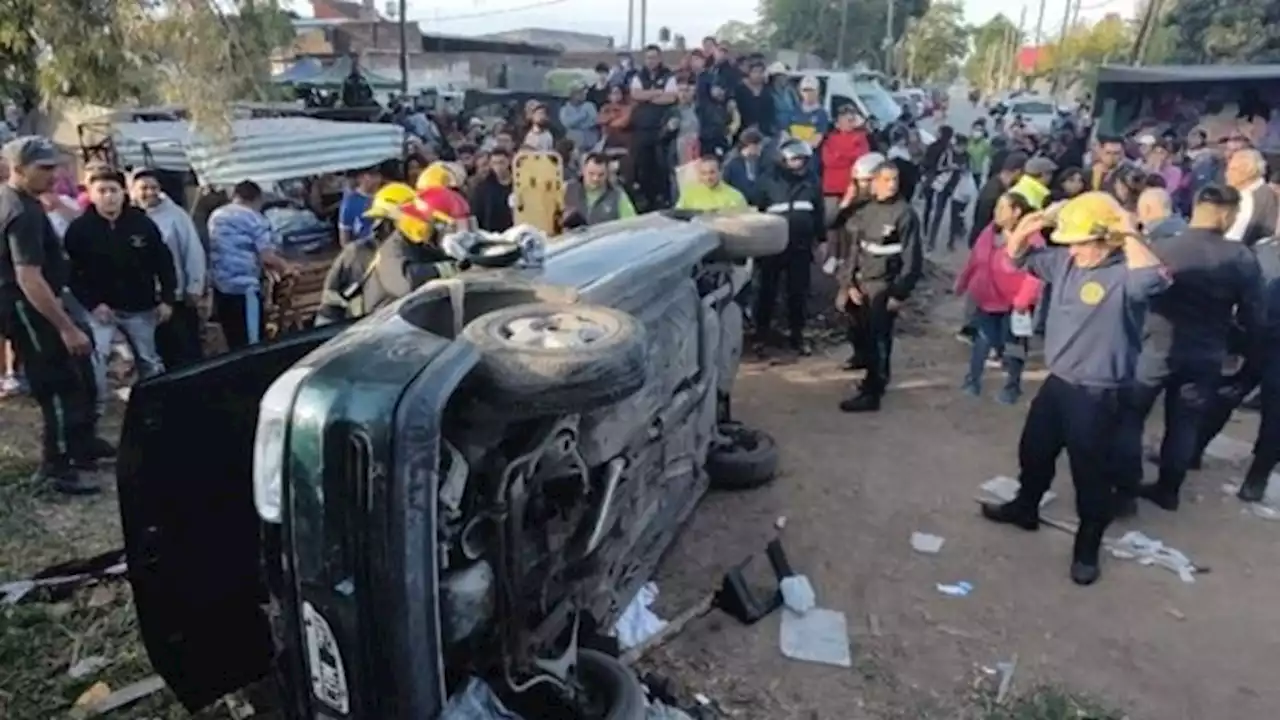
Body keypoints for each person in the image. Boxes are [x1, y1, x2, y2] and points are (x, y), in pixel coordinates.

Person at [979, 192, 1170, 586]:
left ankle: (1087, 547)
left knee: (1091, 473)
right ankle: (1025, 508)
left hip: (1100, 392)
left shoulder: (1125, 274)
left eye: (1083, 243)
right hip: (1059, 384)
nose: (1075, 251)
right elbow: (1014, 261)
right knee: (1034, 451)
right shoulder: (1065, 264)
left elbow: (1154, 279)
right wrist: (1027, 228)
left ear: (1107, 239)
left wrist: (1125, 226)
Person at [1115, 186, 1264, 514]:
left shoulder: (1163, 247)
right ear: (1225, 214)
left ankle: (1124, 492)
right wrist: (1238, 347)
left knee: (1130, 418)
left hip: (1156, 347)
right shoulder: (1241, 257)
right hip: (1206, 352)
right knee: (1184, 423)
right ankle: (1168, 490)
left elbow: (1135, 295)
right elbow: (1255, 315)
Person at [0, 137, 109, 494]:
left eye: (55, 166)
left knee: (81, 365)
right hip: (26, 305)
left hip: (45, 298)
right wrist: (64, 327)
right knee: (58, 383)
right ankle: (56, 468)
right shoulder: (21, 211)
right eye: (43, 168)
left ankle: (82, 444)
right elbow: (28, 277)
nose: (54, 175)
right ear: (18, 169)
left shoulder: (24, 201)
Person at [64, 166, 175, 415]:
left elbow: (164, 262)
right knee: (98, 359)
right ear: (91, 194)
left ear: (124, 192)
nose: (108, 197)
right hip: (100, 309)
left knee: (148, 358)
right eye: (101, 191)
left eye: (113, 190)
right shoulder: (79, 230)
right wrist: (93, 304)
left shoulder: (142, 224)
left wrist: (167, 298)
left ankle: (156, 404)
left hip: (140, 305)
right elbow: (72, 274)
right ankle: (97, 408)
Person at [838, 160, 924, 413]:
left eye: (895, 180)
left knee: (879, 339)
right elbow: (855, 248)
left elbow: (912, 260)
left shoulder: (904, 214)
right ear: (874, 182)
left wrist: (899, 293)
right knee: (861, 332)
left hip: (884, 286)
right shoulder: (866, 209)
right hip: (862, 283)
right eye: (886, 180)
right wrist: (849, 281)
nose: (892, 185)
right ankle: (870, 376)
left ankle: (872, 393)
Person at [954, 191, 1042, 403]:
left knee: (1014, 345)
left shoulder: (1032, 239)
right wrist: (963, 282)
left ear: (1017, 211)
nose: (996, 213)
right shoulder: (989, 233)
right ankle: (972, 381)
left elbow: (1036, 274)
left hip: (1016, 305)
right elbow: (975, 259)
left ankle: (1012, 386)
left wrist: (1024, 300)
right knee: (982, 341)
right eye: (996, 208)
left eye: (1002, 209)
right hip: (987, 299)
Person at [130, 169, 206, 369]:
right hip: (143, 300)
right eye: (144, 188)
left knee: (185, 350)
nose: (150, 192)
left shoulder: (176, 216)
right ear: (133, 191)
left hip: (176, 296)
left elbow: (193, 251)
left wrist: (195, 285)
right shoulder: (127, 218)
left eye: (154, 187)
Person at [753, 139, 822, 357]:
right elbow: (757, 211)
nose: (798, 164)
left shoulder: (812, 182)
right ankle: (761, 336)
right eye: (794, 159)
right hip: (772, 247)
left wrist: (821, 240)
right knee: (767, 292)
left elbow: (818, 213)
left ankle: (797, 336)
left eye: (801, 159)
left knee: (798, 293)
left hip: (800, 247)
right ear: (782, 160)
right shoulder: (767, 182)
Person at [207, 181, 294, 350]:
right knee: (252, 343)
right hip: (244, 288)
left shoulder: (216, 215)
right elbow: (267, 256)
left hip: (220, 288)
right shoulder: (255, 218)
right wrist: (287, 267)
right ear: (258, 199)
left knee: (233, 341)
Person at [629, 45, 679, 211]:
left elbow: (671, 97)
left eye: (654, 57)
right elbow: (636, 94)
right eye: (648, 57)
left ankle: (662, 199)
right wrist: (657, 92)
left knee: (662, 166)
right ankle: (646, 200)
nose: (651, 61)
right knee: (642, 166)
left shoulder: (669, 75)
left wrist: (647, 95)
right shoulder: (638, 75)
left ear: (660, 58)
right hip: (642, 129)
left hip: (661, 129)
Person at [821, 106, 871, 250]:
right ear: (837, 123)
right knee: (831, 223)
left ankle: (847, 256)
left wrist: (840, 155)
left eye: (852, 119)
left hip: (852, 187)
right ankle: (832, 254)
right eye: (846, 119)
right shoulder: (829, 139)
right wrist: (848, 156)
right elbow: (828, 160)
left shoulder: (861, 138)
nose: (849, 122)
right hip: (831, 188)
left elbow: (861, 159)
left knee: (851, 225)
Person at [562, 152, 637, 228]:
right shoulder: (567, 189)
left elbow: (631, 226)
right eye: (591, 173)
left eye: (601, 175)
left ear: (607, 174)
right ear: (583, 170)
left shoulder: (618, 196)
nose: (595, 178)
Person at [1223, 149, 1277, 246]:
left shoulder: (1248, 198)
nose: (1226, 174)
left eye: (1232, 169)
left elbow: (1234, 239)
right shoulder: (1264, 191)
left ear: (1248, 171)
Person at [676, 154, 748, 211]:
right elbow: (677, 217)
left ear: (720, 172)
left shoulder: (735, 197)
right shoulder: (689, 194)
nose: (708, 177)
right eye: (704, 173)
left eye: (712, 172)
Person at [470, 148, 516, 233]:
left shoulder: (518, 184)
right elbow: (477, 214)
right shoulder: (483, 188)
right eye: (495, 163)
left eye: (501, 162)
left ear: (509, 161)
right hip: (492, 234)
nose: (498, 167)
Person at [338, 165, 383, 246]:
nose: (376, 179)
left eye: (377, 174)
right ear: (360, 178)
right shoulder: (349, 203)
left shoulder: (386, 196)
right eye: (371, 175)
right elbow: (344, 241)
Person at [723, 130, 768, 207]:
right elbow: (725, 185)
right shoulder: (731, 164)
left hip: (760, 206)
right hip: (738, 206)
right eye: (758, 146)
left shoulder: (764, 163)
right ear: (750, 145)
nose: (760, 149)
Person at [560, 84, 600, 153]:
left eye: (583, 93)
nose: (583, 95)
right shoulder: (564, 109)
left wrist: (577, 125)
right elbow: (567, 123)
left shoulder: (589, 105)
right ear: (572, 95)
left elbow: (593, 121)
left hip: (591, 144)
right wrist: (583, 115)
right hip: (573, 145)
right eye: (579, 93)